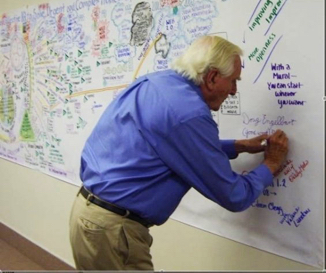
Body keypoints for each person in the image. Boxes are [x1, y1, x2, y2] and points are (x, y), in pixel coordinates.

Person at [69, 35, 288, 270]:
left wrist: (237, 146)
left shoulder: (156, 82)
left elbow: (167, 145)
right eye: (233, 81)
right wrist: (271, 164)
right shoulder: (189, 114)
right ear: (212, 77)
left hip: (90, 216)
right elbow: (234, 196)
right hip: (112, 231)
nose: (234, 91)